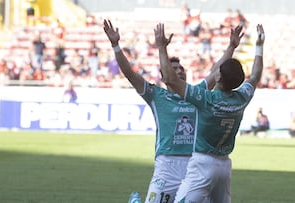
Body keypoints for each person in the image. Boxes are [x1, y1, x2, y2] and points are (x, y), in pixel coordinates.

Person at [103, 19, 243, 203]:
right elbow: (130, 74)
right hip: (167, 165)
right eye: (174, 68)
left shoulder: (197, 93)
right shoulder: (156, 95)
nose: (179, 71)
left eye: (181, 69)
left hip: (195, 164)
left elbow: (217, 71)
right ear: (165, 75)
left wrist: (231, 47)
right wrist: (115, 45)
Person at [156, 22, 264, 203]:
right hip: (224, 165)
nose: (215, 71)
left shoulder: (205, 99)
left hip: (203, 164)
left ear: (219, 78)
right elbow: (255, 76)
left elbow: (170, 80)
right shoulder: (242, 98)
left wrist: (161, 48)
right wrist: (259, 47)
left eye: (218, 72)